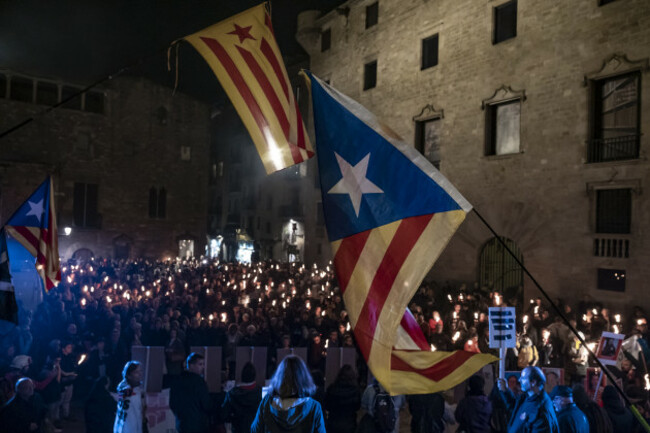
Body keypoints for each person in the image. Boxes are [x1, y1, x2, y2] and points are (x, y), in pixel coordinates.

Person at [250, 355, 325, 433]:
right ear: (303, 378)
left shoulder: (266, 402)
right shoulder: (314, 407)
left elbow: (254, 430)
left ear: (279, 377)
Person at [496, 366, 560, 433]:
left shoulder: (541, 409)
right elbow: (515, 409)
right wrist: (505, 391)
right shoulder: (526, 397)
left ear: (533, 382)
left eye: (523, 378)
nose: (519, 380)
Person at [170, 353, 212, 433]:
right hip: (198, 424)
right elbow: (206, 404)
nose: (203, 367)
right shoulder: (199, 382)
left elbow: (172, 403)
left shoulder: (177, 380)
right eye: (200, 364)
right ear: (191, 365)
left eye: (203, 364)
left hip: (182, 424)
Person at [221, 362, 262, 433]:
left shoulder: (232, 394)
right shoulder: (260, 392)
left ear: (242, 376)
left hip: (238, 429)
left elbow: (224, 414)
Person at [323, 364, 361, 433]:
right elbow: (357, 407)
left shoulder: (332, 389)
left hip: (333, 424)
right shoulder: (355, 391)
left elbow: (327, 405)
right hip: (349, 424)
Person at [113, 361, 146, 433]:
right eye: (136, 372)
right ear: (129, 375)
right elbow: (125, 394)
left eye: (140, 371)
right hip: (127, 428)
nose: (140, 374)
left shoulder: (137, 389)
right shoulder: (127, 390)